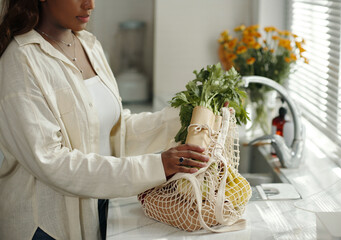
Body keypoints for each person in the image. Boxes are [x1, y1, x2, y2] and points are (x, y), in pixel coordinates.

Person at [0, 0, 209, 239]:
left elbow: (116, 132)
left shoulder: (89, 44)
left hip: (99, 205)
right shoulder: (21, 61)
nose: (90, 4)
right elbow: (52, 162)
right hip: (47, 226)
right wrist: (157, 166)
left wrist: (188, 115)